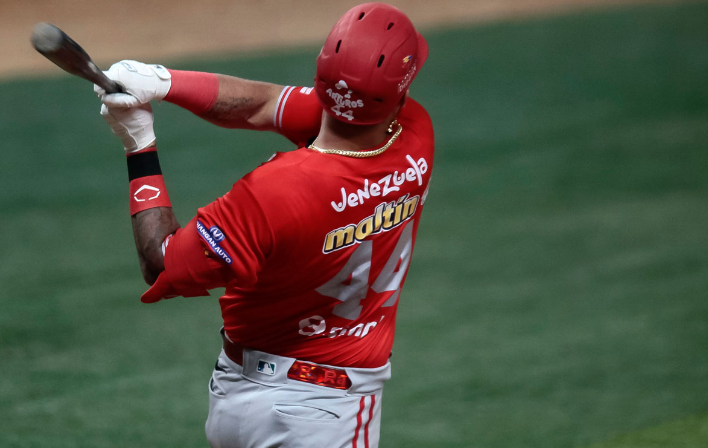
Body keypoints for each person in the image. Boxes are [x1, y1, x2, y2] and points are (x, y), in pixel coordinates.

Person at [95, 3, 433, 447]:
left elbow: (161, 262)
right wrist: (164, 82)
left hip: (236, 402)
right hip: (323, 414)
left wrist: (140, 143)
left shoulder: (272, 192)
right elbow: (267, 104)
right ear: (400, 93)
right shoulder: (413, 133)